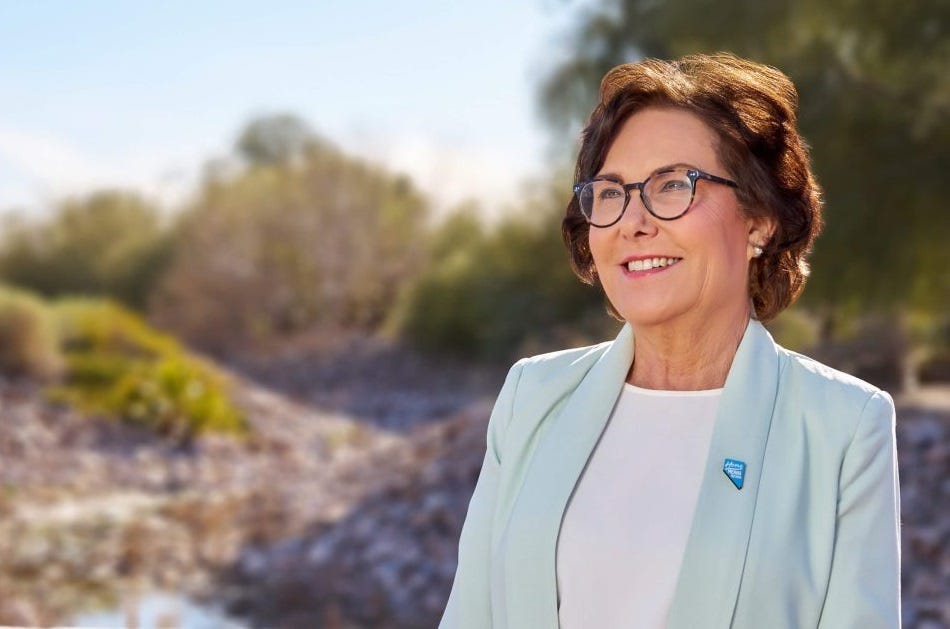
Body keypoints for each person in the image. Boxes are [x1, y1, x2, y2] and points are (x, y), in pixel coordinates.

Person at [439, 53, 901, 629]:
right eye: (611, 193)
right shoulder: (532, 397)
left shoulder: (843, 426)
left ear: (759, 219)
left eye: (673, 185)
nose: (634, 221)